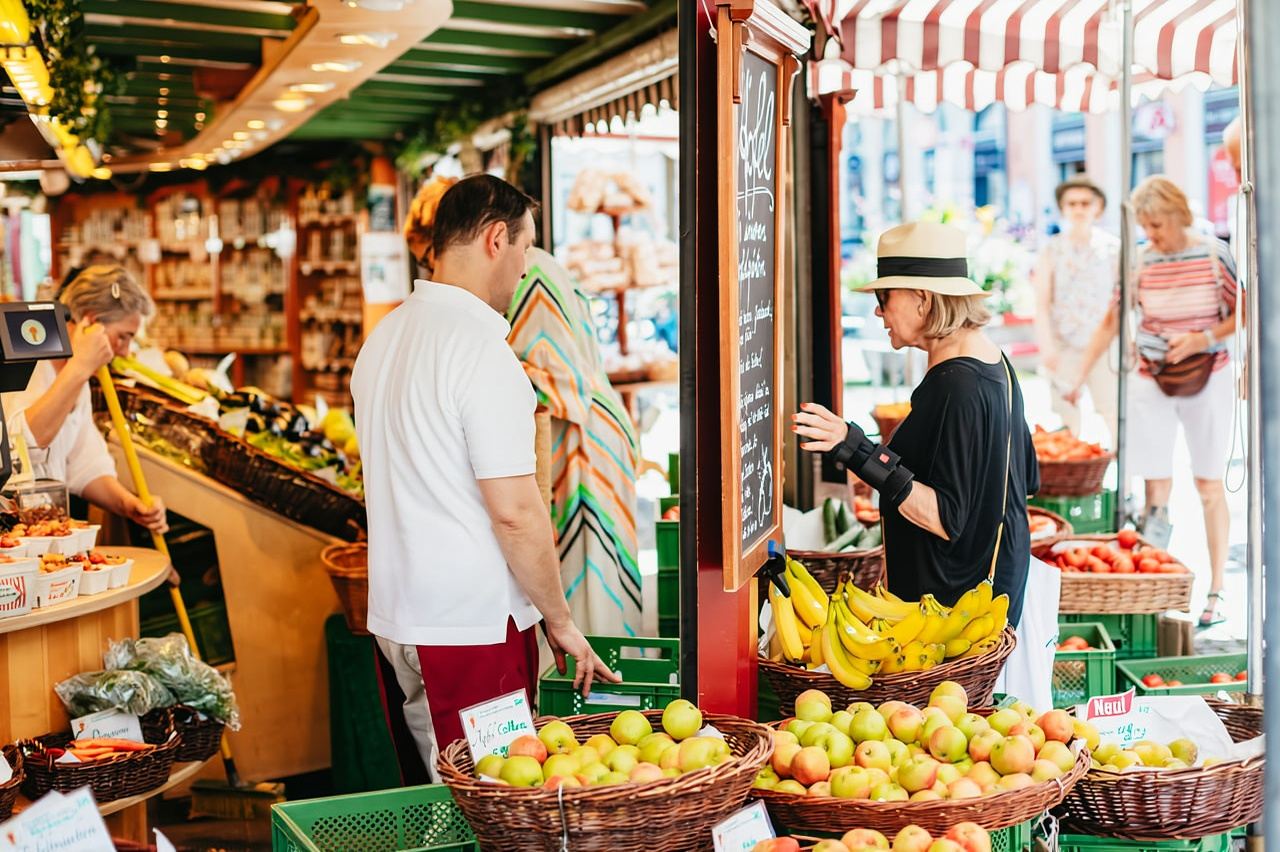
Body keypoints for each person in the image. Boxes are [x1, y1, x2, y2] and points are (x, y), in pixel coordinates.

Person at [353, 174, 616, 782]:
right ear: (496, 239)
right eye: (525, 247)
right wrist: (560, 619)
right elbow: (516, 512)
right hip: (470, 623)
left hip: (400, 616)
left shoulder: (384, 338)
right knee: (493, 796)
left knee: (438, 790)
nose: (526, 268)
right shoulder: (480, 349)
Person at [403, 177, 642, 637]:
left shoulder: (531, 272)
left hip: (581, 451)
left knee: (583, 605)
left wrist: (470, 373)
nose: (431, 269)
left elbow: (564, 383)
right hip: (549, 449)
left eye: (428, 255)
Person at [793, 222, 1041, 630]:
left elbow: (945, 517)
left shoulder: (956, 385)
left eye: (883, 297)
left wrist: (852, 446)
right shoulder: (995, 362)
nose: (878, 310)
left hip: (951, 618)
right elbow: (1023, 479)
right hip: (987, 601)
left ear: (922, 299)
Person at [1068, 176, 1239, 628]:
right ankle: (1155, 586)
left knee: (1208, 485)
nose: (1153, 234)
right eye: (1146, 226)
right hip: (1151, 377)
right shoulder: (1141, 261)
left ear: (1180, 214)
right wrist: (1078, 376)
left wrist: (1200, 337)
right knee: (1155, 488)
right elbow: (1113, 319)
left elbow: (1244, 310)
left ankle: (1216, 587)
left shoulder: (1211, 254)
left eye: (1158, 224)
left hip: (1209, 376)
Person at [3, 265, 168, 533]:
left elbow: (85, 465)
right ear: (90, 323)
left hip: (42, 532)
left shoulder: (77, 379)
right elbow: (21, 443)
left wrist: (130, 506)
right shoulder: (29, 362)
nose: (124, 352)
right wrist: (79, 366)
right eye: (122, 337)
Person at [1033, 175, 1119, 444]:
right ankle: (1073, 480)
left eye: (1085, 203)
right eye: (1072, 203)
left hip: (1105, 346)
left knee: (1113, 411)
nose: (1079, 209)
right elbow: (1042, 302)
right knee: (1066, 417)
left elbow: (1123, 301)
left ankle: (1123, 481)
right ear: (1063, 208)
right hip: (1064, 344)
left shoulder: (1113, 249)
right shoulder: (1051, 249)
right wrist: (1046, 345)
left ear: (1098, 207)